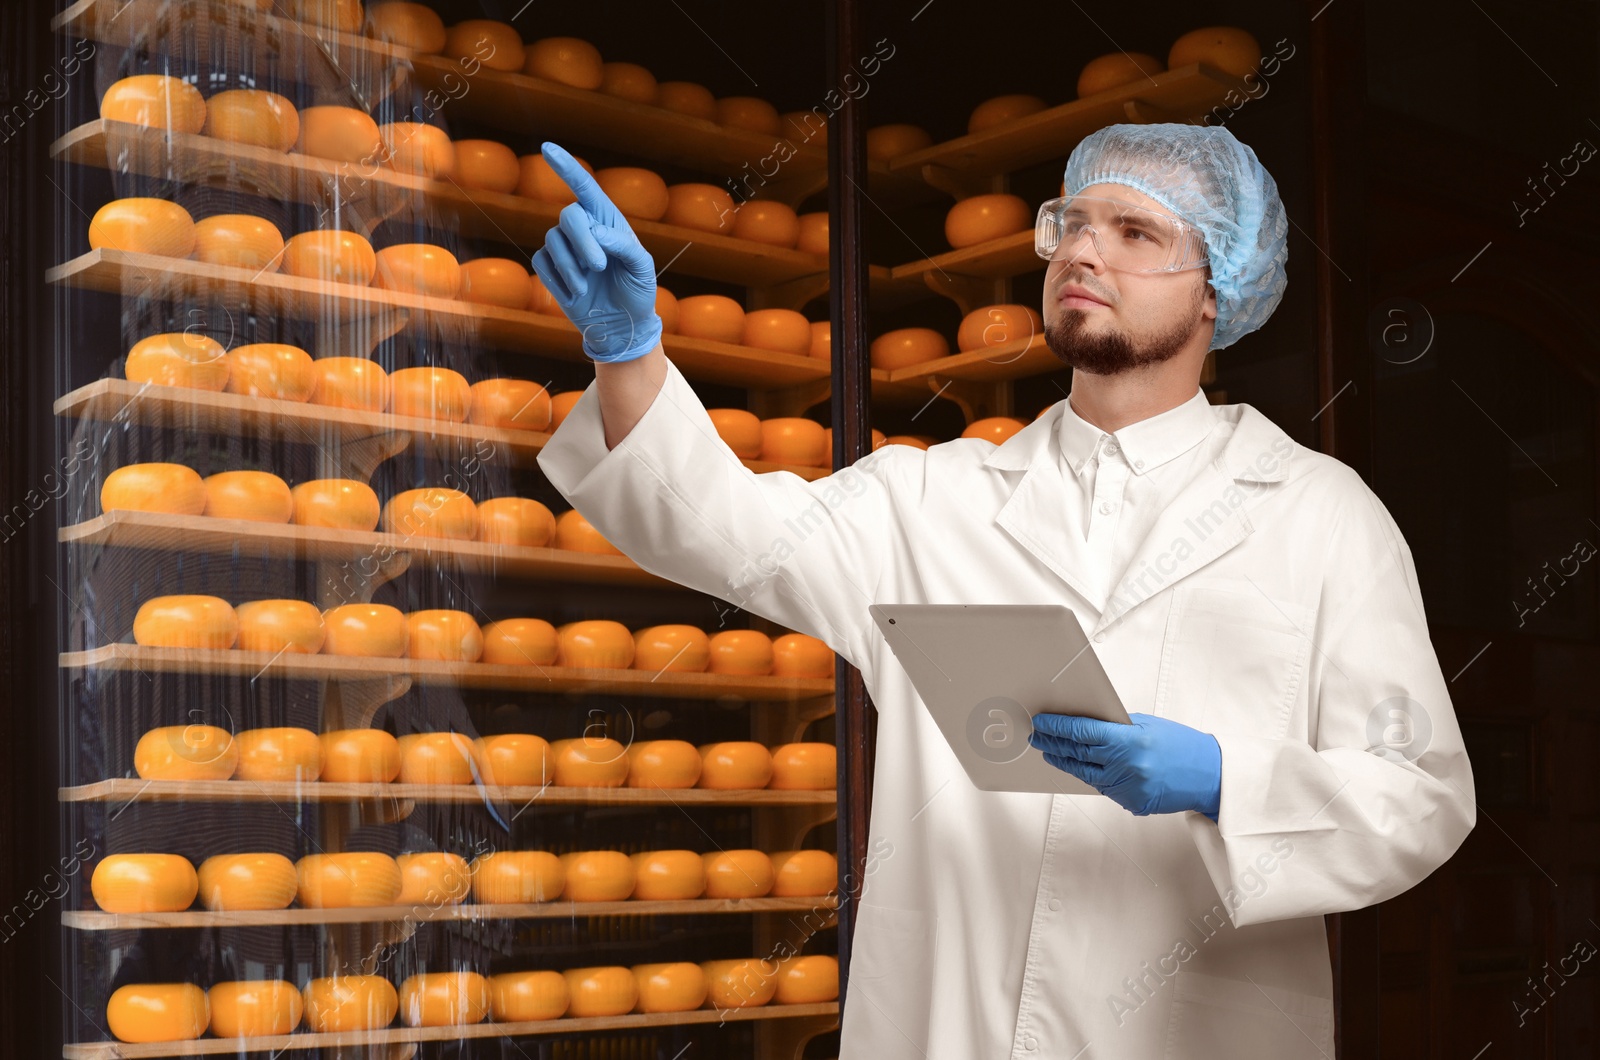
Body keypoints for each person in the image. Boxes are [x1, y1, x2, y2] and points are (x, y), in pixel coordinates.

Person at [531, 124, 1475, 1059]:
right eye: (1071, 223)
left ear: (1216, 291)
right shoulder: (929, 499)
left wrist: (1229, 780)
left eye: (1134, 234)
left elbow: (1421, 794)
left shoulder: (1318, 515)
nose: (1082, 251)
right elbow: (722, 531)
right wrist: (629, 353)